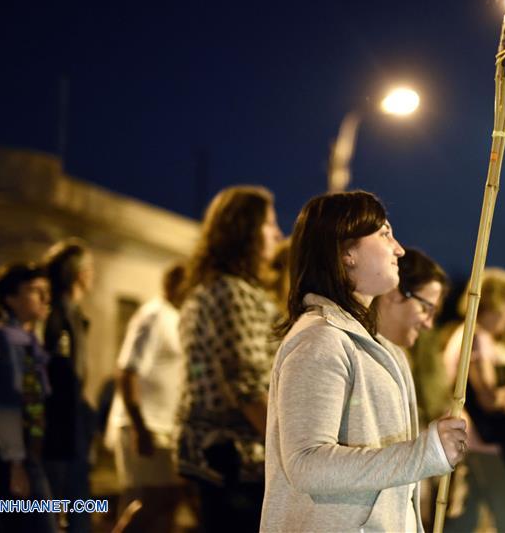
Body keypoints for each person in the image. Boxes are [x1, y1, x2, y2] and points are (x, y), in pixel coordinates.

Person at [260, 191, 465, 532]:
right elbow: (306, 464)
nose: (399, 248)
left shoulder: (378, 347)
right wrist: (424, 454)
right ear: (346, 252)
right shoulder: (320, 339)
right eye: (385, 233)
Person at [176, 185, 283, 532]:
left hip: (229, 459)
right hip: (236, 459)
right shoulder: (231, 292)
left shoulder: (220, 289)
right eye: (269, 224)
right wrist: (293, 449)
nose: (278, 234)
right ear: (244, 231)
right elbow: (248, 386)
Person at [442, 268, 505, 533]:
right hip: (480, 440)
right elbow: (489, 398)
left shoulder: (465, 334)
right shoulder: (475, 339)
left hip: (471, 438)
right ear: (497, 304)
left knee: (467, 515)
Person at [0, 262, 56, 532]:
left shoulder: (27, 340)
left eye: (45, 290)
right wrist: (15, 461)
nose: (44, 298)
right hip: (17, 456)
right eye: (33, 291)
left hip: (26, 453)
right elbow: (6, 402)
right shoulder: (10, 341)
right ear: (10, 298)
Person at [106, 263, 187, 532]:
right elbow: (127, 371)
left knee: (163, 505)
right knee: (148, 501)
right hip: (143, 427)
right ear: (175, 284)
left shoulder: (174, 317)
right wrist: (140, 427)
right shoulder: (153, 316)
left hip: (161, 428)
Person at [373, 248, 447, 530]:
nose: (428, 323)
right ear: (394, 293)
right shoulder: (351, 352)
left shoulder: (397, 355)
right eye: (426, 308)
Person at [42, 237, 95, 533]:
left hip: (73, 417)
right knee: (59, 499)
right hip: (59, 422)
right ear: (79, 274)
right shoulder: (56, 316)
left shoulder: (75, 315)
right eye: (90, 269)